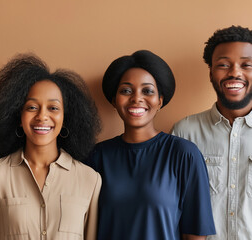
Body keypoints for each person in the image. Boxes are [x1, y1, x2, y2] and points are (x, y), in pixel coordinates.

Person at [88, 50, 216, 240]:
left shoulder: (184, 154)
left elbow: (195, 233)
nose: (136, 98)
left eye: (147, 91)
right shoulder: (98, 156)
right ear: (114, 101)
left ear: (159, 101)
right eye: (126, 90)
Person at [0, 54, 102, 239]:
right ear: (18, 116)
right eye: (32, 107)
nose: (42, 116)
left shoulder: (90, 180)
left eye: (53, 108)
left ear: (66, 118)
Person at [172, 25, 252, 240]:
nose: (235, 72)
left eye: (247, 65)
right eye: (224, 65)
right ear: (210, 72)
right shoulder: (184, 132)